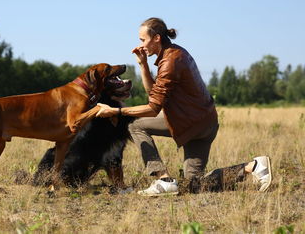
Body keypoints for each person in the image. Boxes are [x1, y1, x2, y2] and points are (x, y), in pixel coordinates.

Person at [96, 17, 272, 196]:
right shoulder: (175, 54)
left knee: (134, 124)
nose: (140, 44)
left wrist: (116, 111)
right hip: (204, 122)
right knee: (195, 184)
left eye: (143, 40)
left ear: (156, 38)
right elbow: (154, 95)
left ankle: (163, 179)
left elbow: (153, 107)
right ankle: (253, 167)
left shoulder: (170, 62)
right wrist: (143, 65)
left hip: (190, 122)